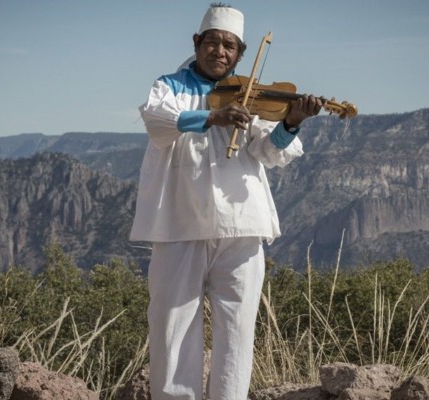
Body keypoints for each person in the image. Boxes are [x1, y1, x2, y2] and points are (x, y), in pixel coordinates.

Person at [130, 3, 323, 399]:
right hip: (179, 224)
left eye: (230, 46)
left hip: (241, 225)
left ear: (240, 53)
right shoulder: (169, 86)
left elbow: (271, 152)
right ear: (197, 43)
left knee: (237, 332)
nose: (220, 51)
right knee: (170, 328)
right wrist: (211, 117)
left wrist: (291, 122)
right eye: (213, 42)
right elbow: (158, 121)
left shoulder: (250, 95)